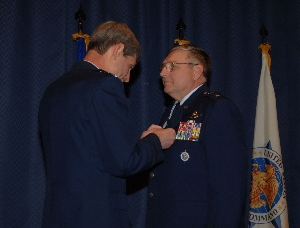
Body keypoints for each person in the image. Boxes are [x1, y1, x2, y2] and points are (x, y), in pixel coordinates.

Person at [38, 21, 175, 228]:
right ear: (118, 50)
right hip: (97, 216)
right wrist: (157, 141)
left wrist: (137, 143)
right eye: (129, 67)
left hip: (59, 216)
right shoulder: (104, 85)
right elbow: (124, 162)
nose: (127, 78)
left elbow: (89, 151)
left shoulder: (54, 89)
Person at [145, 45, 248, 228]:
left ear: (196, 71)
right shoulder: (172, 113)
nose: (162, 72)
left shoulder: (216, 109)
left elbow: (228, 189)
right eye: (163, 66)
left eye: (172, 66)